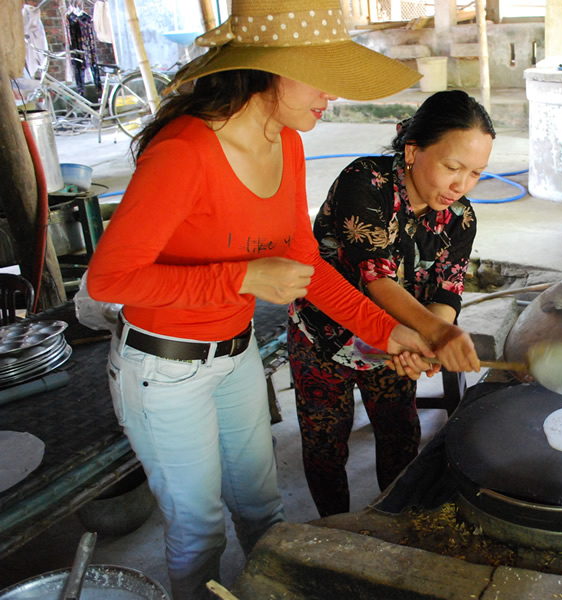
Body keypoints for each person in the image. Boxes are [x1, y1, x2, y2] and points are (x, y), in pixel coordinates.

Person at [85, 1, 478, 598]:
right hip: (165, 369)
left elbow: (306, 268)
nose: (334, 97)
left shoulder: (287, 144)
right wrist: (240, 279)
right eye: (321, 76)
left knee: (265, 511)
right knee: (198, 530)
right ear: (269, 69)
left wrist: (386, 331)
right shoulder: (185, 150)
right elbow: (109, 281)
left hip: (237, 355)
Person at [288, 90, 494, 517]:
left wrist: (430, 341)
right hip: (325, 339)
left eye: (475, 173)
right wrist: (437, 334)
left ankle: (393, 525)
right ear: (414, 150)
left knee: (400, 438)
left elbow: (446, 290)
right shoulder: (366, 181)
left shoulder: (461, 217)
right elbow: (375, 280)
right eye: (452, 167)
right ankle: (336, 528)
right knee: (325, 445)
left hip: (395, 346)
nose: (461, 185)